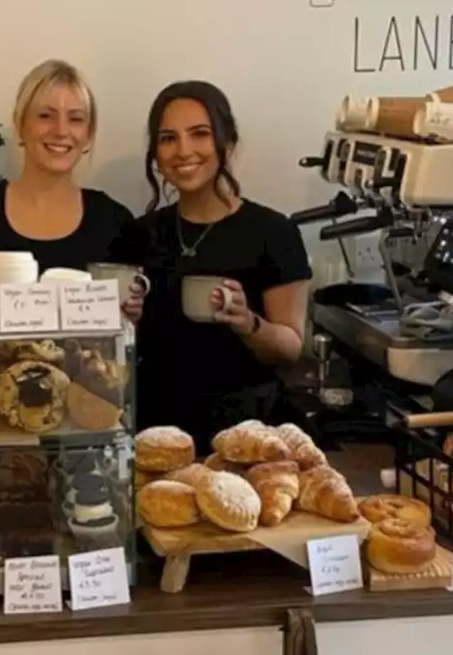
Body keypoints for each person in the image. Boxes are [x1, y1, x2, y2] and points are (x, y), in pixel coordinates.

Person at [117, 80, 312, 455]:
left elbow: (290, 346)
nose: (183, 150)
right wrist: (127, 320)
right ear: (156, 154)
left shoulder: (273, 231)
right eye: (168, 138)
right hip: (156, 425)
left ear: (228, 143)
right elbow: (128, 343)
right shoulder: (140, 233)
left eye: (200, 134)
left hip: (246, 429)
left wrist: (247, 323)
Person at [0, 60, 133, 282]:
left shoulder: (114, 222)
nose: (61, 131)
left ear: (88, 134)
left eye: (75, 119)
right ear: (21, 125)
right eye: (45, 116)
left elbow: (129, 311)